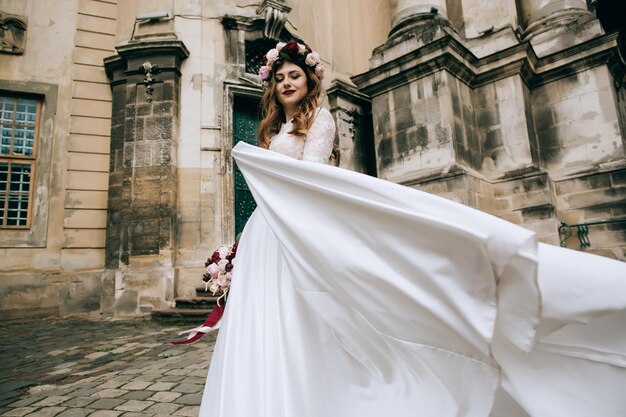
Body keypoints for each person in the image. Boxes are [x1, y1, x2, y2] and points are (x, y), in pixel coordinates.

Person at [199, 41, 626, 417]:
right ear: (271, 87)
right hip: (265, 229)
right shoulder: (272, 129)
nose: (287, 83)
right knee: (264, 314)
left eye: (295, 76)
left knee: (300, 313)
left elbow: (314, 177)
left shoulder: (321, 120)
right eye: (280, 78)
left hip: (294, 222)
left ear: (310, 82)